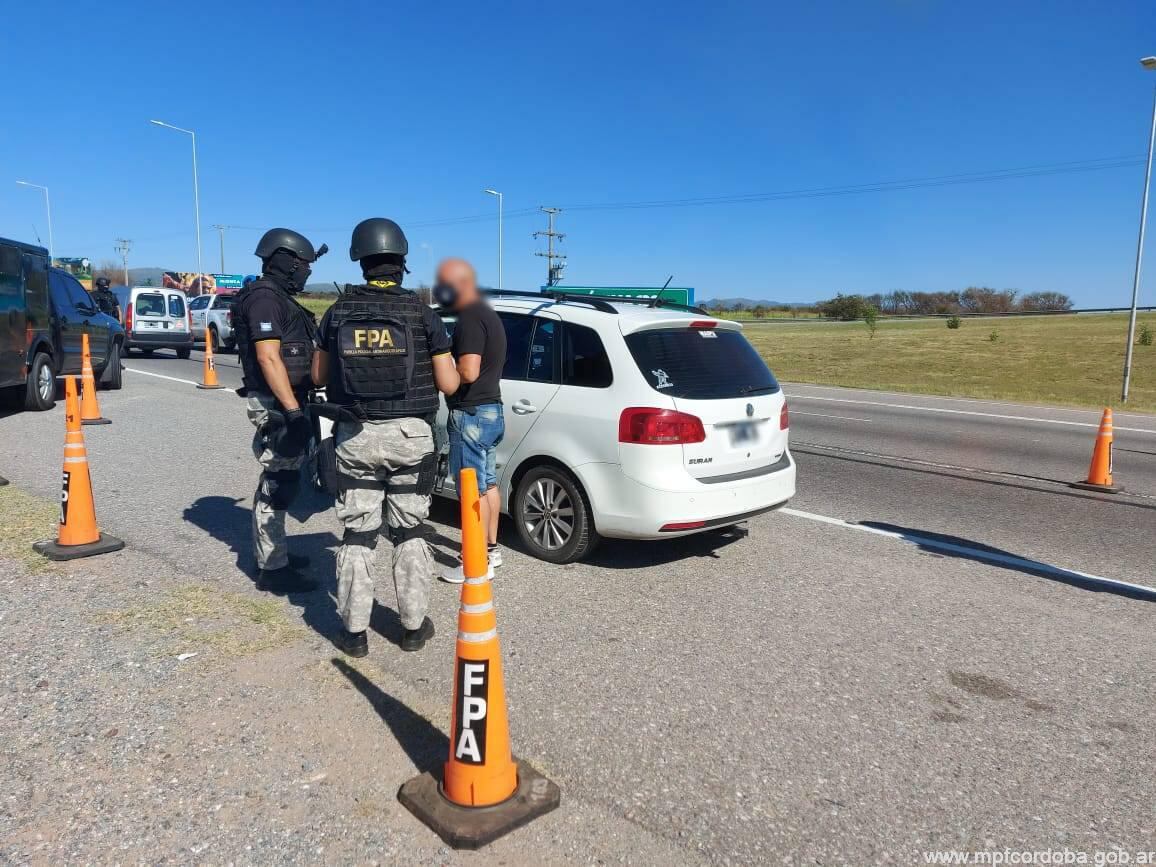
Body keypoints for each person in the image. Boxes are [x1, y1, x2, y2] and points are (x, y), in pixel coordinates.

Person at [312, 218, 460, 657]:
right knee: (410, 530)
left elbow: (319, 375)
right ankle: (413, 627)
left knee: (358, 535)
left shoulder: (337, 313)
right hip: (411, 437)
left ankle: (355, 633)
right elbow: (448, 384)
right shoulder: (422, 314)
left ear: (361, 261)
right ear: (401, 263)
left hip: (355, 435)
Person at [234, 228, 328, 594]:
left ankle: (278, 554)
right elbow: (268, 356)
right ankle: (272, 567)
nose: (306, 271)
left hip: (291, 399)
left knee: (286, 477)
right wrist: (291, 411)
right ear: (286, 261)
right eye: (303, 264)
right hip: (277, 405)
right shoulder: (264, 299)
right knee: (277, 482)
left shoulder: (279, 298)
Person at [433, 258, 507, 584]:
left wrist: (444, 362)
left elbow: (469, 371)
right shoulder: (489, 314)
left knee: (470, 492)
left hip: (472, 414)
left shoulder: (470, 320)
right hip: (492, 410)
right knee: (488, 484)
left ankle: (473, 563)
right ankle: (491, 550)